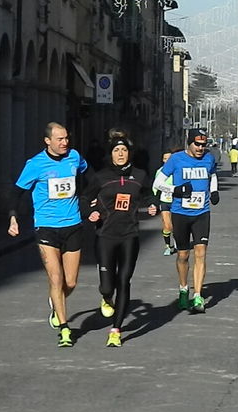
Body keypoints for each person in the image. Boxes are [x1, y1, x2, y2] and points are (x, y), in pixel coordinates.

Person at [8, 122, 93, 347]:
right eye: (59, 139)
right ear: (48, 141)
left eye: (66, 138)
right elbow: (17, 192)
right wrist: (13, 217)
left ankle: (56, 301)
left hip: (73, 224)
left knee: (71, 281)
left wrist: (91, 197)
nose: (65, 143)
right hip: (46, 227)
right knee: (56, 278)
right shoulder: (35, 164)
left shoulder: (74, 157)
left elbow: (89, 173)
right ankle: (65, 329)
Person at [84, 137, 157, 347]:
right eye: (116, 150)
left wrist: (153, 205)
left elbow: (150, 195)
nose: (120, 154)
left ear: (129, 153)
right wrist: (91, 212)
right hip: (105, 236)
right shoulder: (101, 177)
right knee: (107, 286)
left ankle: (115, 330)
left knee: (124, 280)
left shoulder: (140, 175)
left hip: (129, 235)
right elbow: (83, 198)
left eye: (124, 150)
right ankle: (107, 298)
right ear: (111, 154)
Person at [153, 129, 220, 312]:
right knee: (183, 255)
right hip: (180, 213)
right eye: (197, 144)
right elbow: (157, 183)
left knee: (201, 252)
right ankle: (184, 288)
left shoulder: (209, 158)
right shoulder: (176, 159)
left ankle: (198, 295)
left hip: (202, 212)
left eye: (203, 145)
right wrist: (175, 190)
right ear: (189, 143)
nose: (200, 148)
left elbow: (212, 174)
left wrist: (213, 191)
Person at [153, 149, 177, 255]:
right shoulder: (159, 171)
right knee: (167, 225)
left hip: (176, 201)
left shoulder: (177, 170)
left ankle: (177, 243)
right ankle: (168, 246)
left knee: (176, 225)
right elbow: (155, 187)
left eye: (169, 159)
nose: (167, 161)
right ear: (163, 160)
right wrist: (154, 201)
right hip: (164, 201)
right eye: (165, 159)